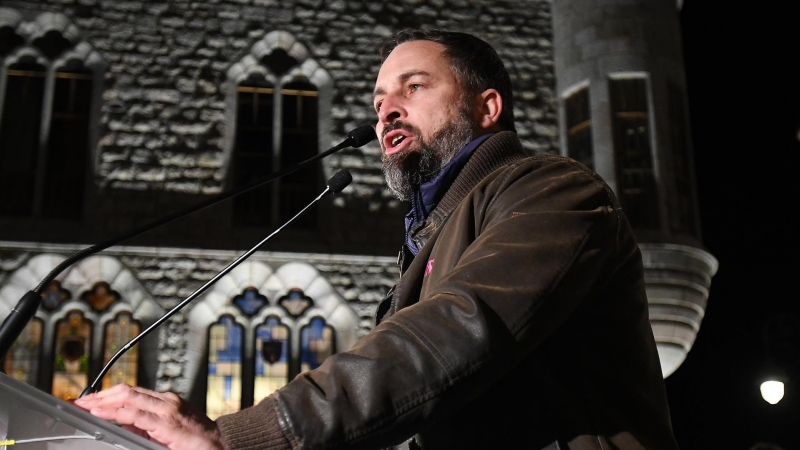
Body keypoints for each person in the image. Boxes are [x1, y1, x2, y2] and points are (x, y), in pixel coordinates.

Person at [75, 30, 679, 450]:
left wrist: (242, 438)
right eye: (378, 99)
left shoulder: (555, 192)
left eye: (413, 88)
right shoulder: (428, 236)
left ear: (487, 106)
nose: (386, 110)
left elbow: (459, 331)